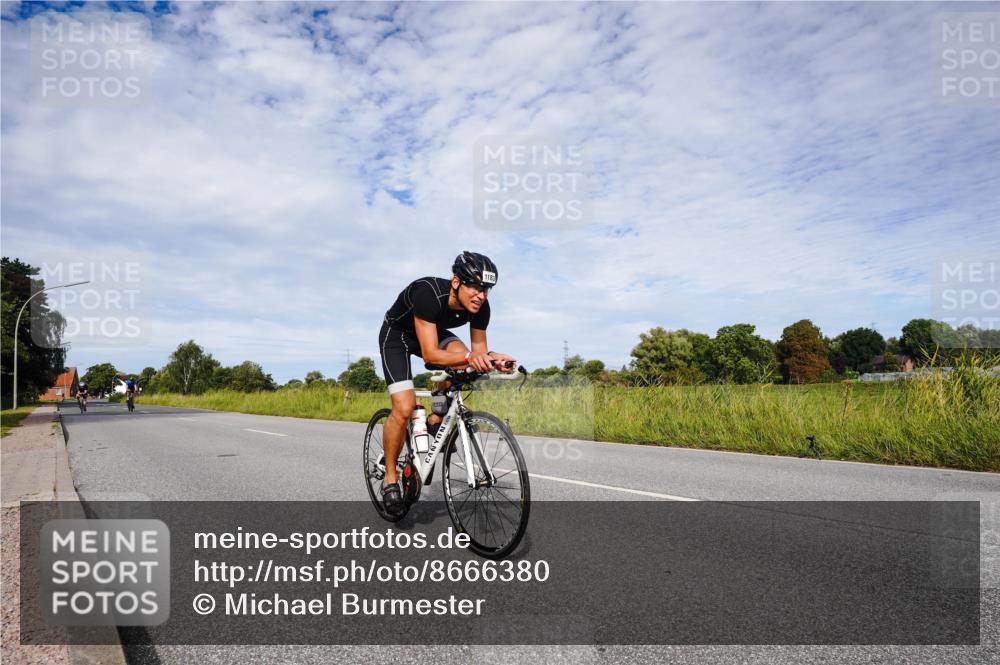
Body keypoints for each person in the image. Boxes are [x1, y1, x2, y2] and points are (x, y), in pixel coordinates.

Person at [378, 251, 516, 515]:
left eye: (486, 289)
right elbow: (430, 354)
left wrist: (493, 359)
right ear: (456, 282)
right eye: (475, 287)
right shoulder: (428, 293)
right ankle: (390, 478)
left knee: (465, 365)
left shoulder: (481, 308)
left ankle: (434, 419)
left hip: (433, 332)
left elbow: (477, 354)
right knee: (404, 407)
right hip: (397, 337)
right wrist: (468, 357)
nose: (481, 295)